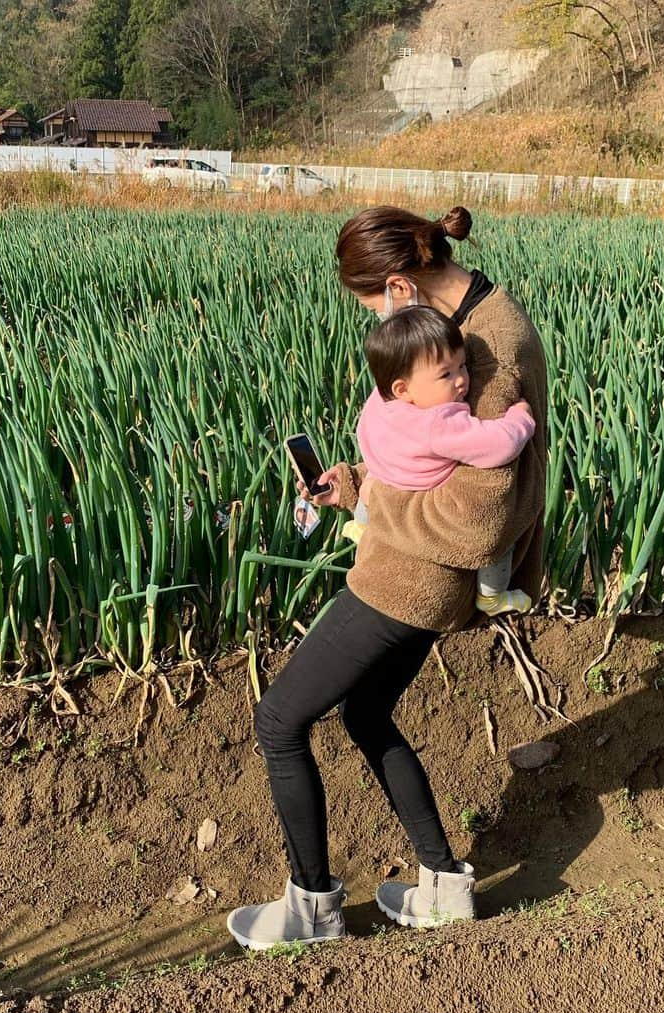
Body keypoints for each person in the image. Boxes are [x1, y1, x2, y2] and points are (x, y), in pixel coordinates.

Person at [226, 205, 548, 950]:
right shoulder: (478, 319)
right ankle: (441, 885)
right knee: (365, 715)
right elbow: (439, 464)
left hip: (407, 581)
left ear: (400, 285)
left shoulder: (484, 349)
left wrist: (372, 500)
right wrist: (362, 481)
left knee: (279, 720)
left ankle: (311, 908)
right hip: (412, 574)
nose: (373, 320)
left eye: (372, 303)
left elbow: (477, 520)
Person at [344, 305, 536, 617]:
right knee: (500, 540)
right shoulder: (440, 424)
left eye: (462, 366)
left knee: (371, 483)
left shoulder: (380, 401)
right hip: (417, 486)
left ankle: (361, 524)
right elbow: (498, 445)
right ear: (402, 389)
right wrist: (521, 419)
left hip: (381, 472)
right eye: (446, 374)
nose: (462, 380)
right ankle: (492, 597)